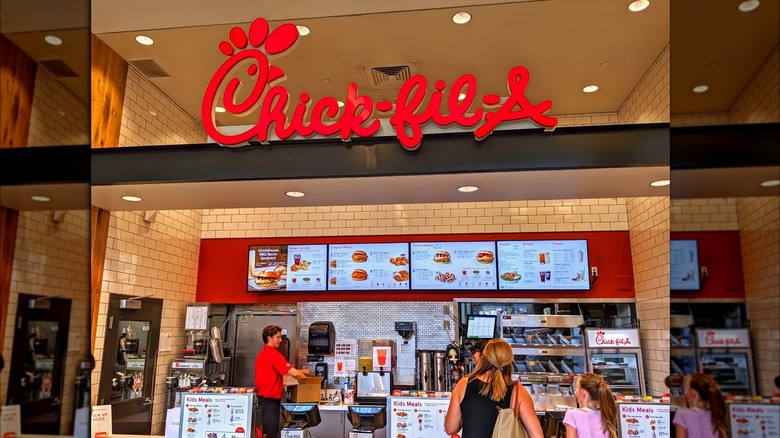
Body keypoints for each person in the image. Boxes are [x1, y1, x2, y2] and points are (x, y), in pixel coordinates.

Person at [444, 338, 543, 438]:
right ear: (509, 361)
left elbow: (450, 428)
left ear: (485, 358)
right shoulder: (518, 391)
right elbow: (537, 435)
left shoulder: (464, 384)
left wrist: (467, 414)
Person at [254, 325, 309, 438]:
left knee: (265, 432)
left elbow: (276, 376)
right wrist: (310, 383)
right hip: (270, 402)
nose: (280, 340)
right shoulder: (273, 354)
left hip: (262, 400)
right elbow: (295, 373)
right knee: (270, 433)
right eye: (278, 337)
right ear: (269, 338)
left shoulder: (262, 354)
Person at [563, 373, 618, 438]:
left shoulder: (572, 414)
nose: (575, 392)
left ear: (583, 392)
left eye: (576, 388)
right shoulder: (605, 414)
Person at [673, 373, 727, 438]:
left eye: (686, 388)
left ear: (693, 394)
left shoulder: (682, 415)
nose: (685, 392)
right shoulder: (716, 413)